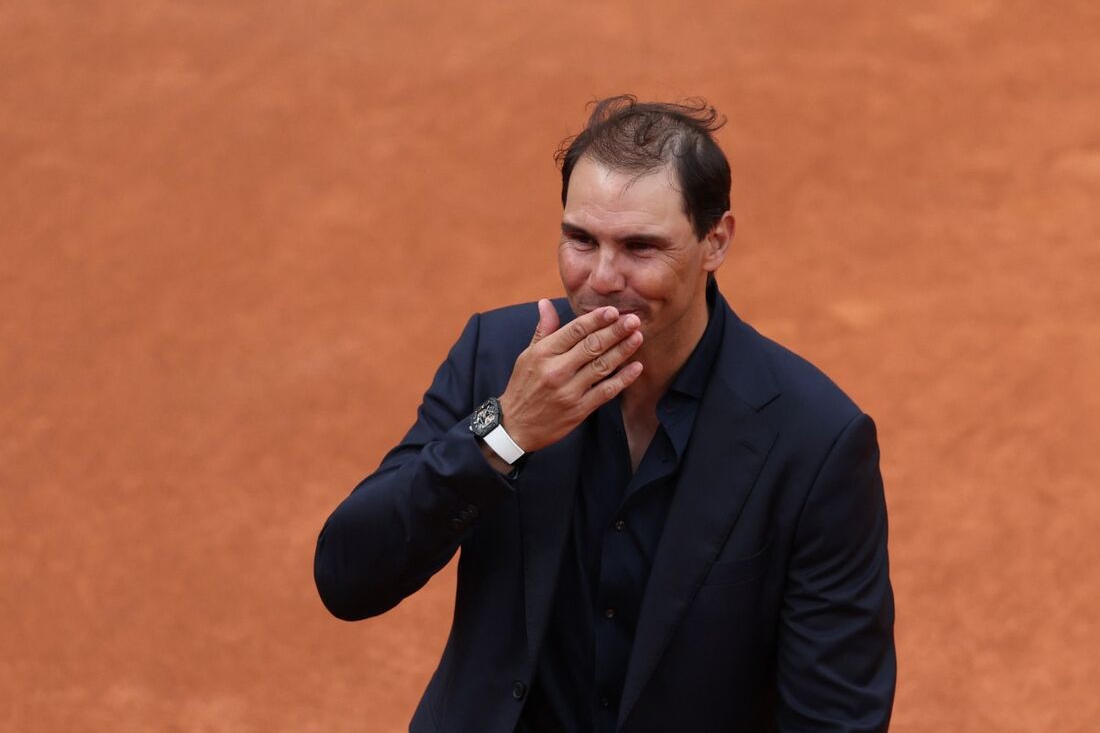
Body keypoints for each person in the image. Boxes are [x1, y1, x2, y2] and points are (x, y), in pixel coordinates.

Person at [314, 95, 896, 732]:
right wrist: (502, 433)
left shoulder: (815, 441)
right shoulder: (497, 359)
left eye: (641, 247)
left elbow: (836, 718)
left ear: (716, 241)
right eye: (580, 240)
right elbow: (349, 577)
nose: (601, 277)